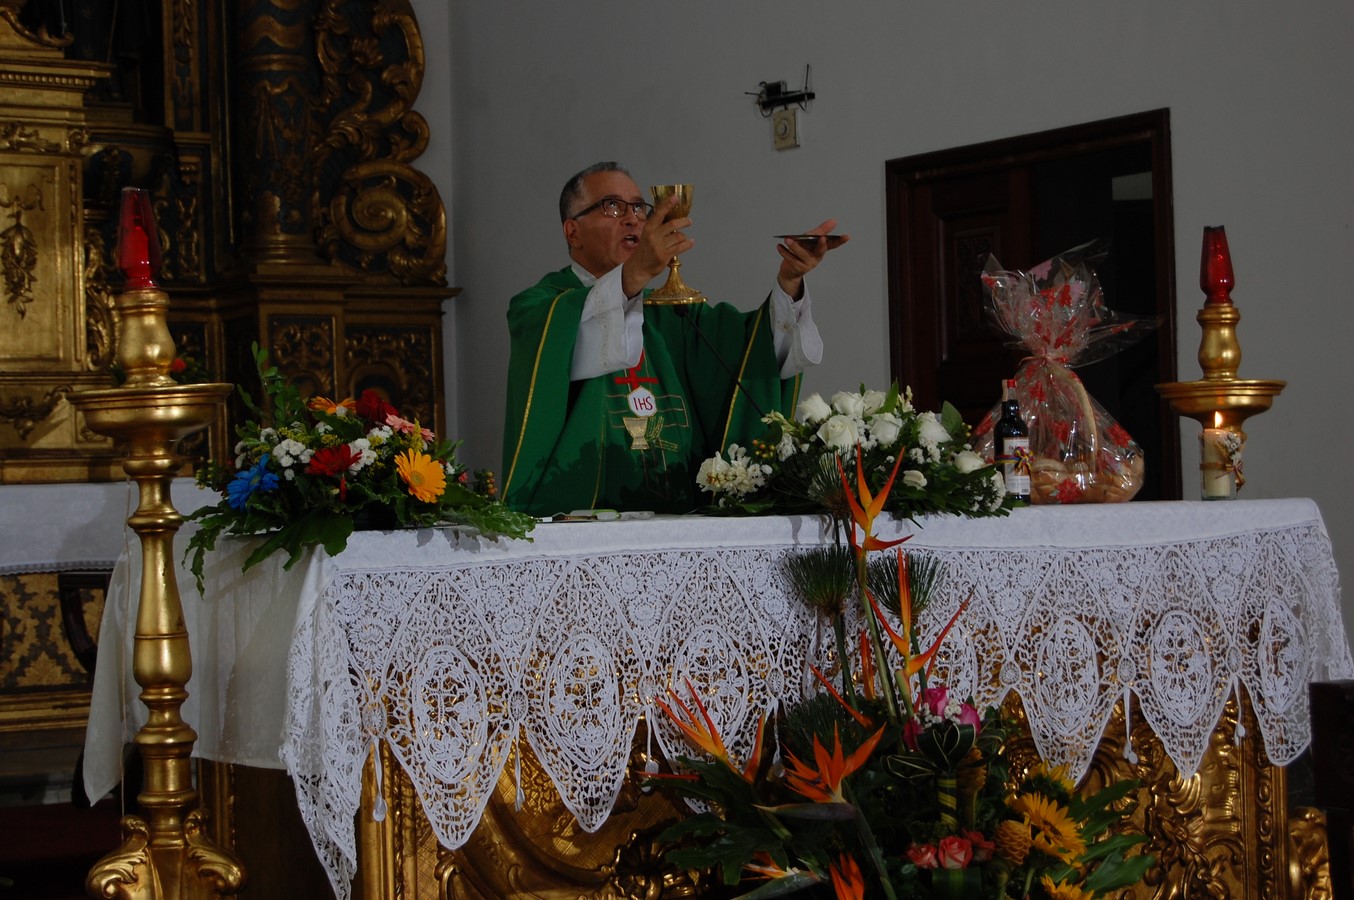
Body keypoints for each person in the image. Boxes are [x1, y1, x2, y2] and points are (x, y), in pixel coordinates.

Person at [501, 161, 847, 516]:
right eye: (613, 206)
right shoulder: (542, 307)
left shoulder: (671, 313)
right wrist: (634, 274)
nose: (633, 218)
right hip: (581, 525)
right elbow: (566, 343)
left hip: (679, 520)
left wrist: (789, 282)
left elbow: (751, 353)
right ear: (572, 232)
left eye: (639, 207)